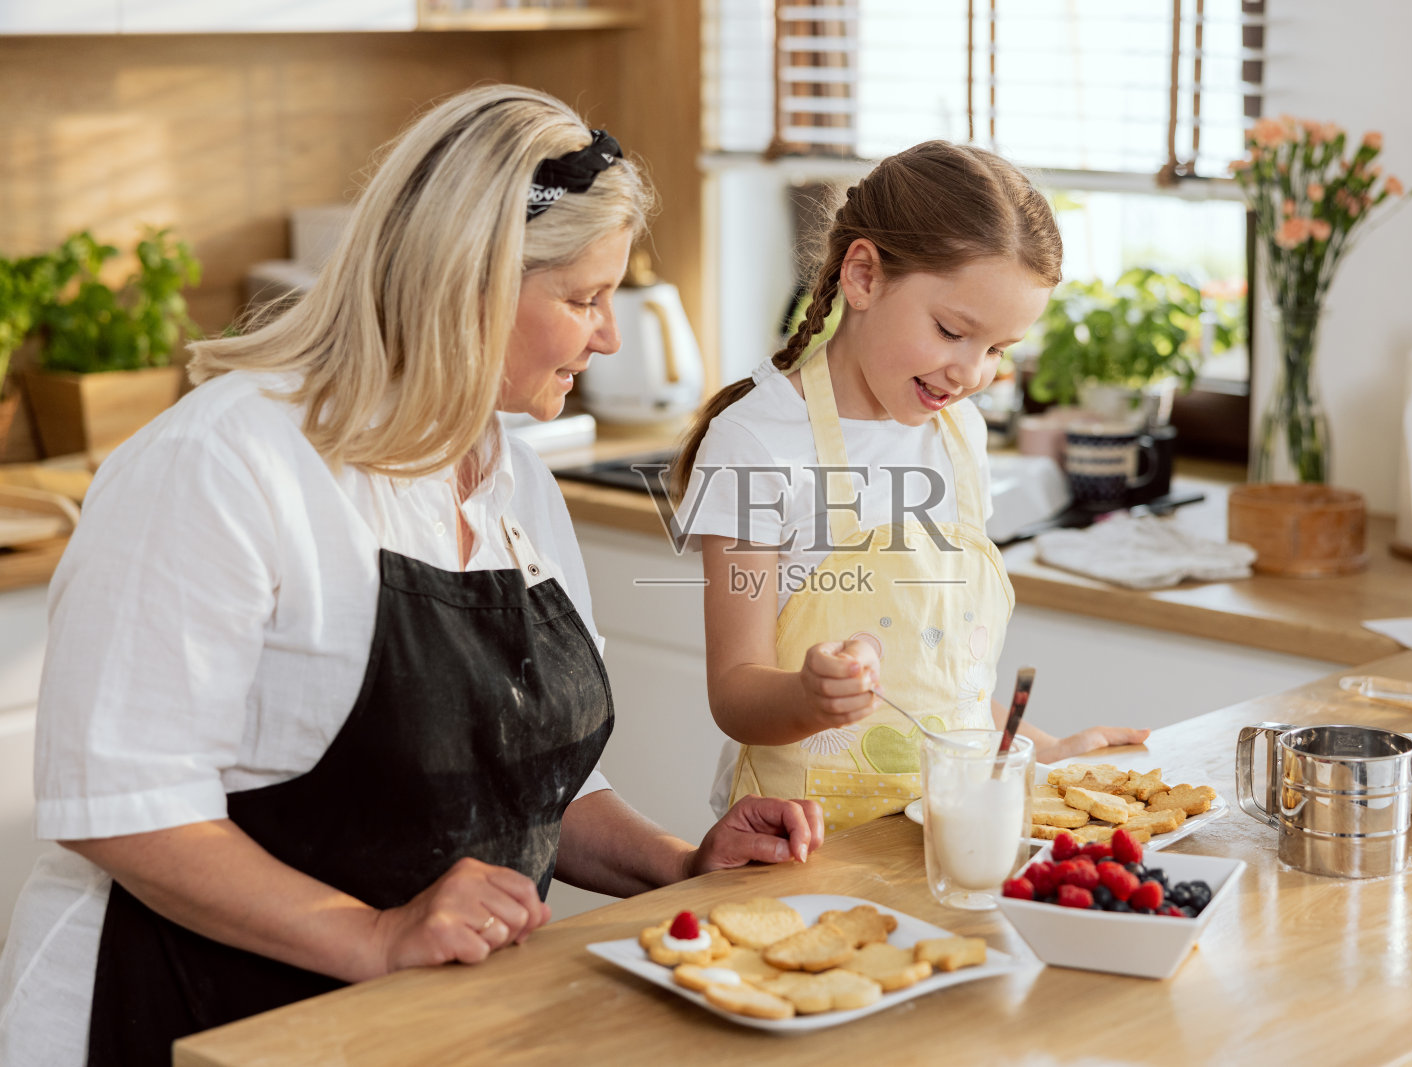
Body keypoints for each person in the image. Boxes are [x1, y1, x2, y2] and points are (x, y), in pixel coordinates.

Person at [0, 85, 824, 1067]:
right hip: (190, 1016)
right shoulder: (222, 463)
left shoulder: (511, 471)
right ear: (470, 284)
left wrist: (681, 866)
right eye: (583, 298)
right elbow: (123, 808)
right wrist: (375, 936)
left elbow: (524, 777)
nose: (607, 336)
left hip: (419, 1029)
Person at [670, 142, 1150, 832]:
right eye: (952, 331)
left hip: (943, 827)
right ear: (863, 275)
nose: (971, 373)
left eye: (997, 350)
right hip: (798, 840)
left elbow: (944, 683)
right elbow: (736, 691)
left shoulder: (960, 436)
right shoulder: (758, 444)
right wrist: (809, 697)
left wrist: (1042, 752)